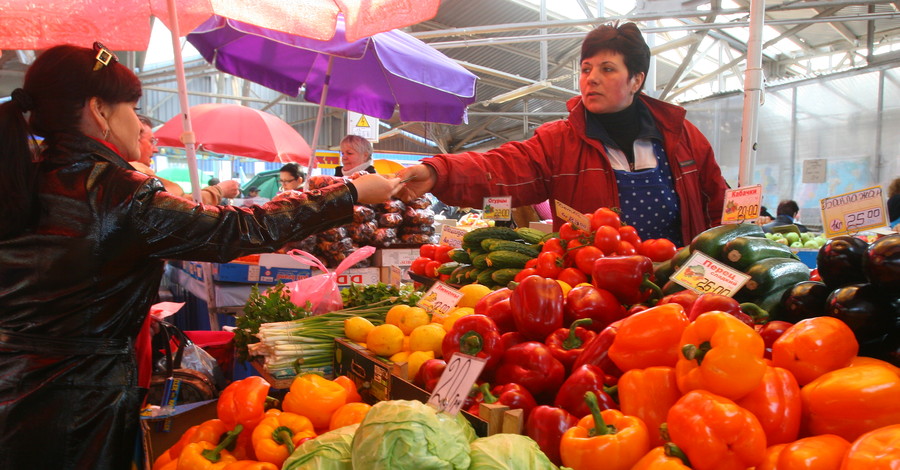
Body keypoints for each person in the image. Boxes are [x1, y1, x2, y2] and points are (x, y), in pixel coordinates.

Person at [0, 43, 400, 469]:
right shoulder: (118, 191)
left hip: (17, 383)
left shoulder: (27, 176)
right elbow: (237, 228)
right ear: (98, 110)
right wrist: (350, 193)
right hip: (77, 400)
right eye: (133, 109)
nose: (138, 124)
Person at [397, 22, 727, 246]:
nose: (591, 78)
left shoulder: (682, 136)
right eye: (586, 69)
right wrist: (437, 172)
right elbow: (502, 167)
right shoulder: (558, 141)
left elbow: (718, 204)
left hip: (677, 289)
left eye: (607, 69)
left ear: (636, 80)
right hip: (592, 293)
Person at [134, 115, 240, 204]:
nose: (156, 149)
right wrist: (219, 190)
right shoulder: (137, 174)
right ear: (133, 140)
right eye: (151, 141)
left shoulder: (134, 174)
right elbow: (182, 206)